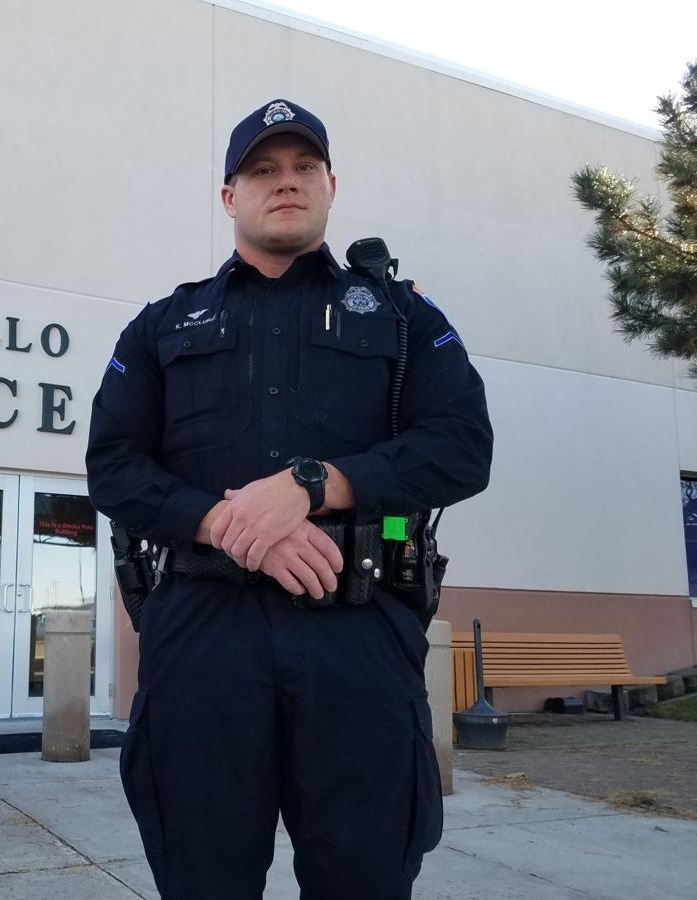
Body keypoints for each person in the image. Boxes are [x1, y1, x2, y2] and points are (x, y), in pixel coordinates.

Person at [86, 99, 493, 899]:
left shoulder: (404, 320)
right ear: (228, 196)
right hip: (203, 636)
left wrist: (315, 486)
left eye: (305, 166)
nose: (287, 182)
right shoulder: (163, 326)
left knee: (365, 879)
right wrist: (229, 524)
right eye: (263, 170)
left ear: (332, 185)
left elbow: (462, 447)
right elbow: (113, 466)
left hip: (358, 633)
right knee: (202, 877)